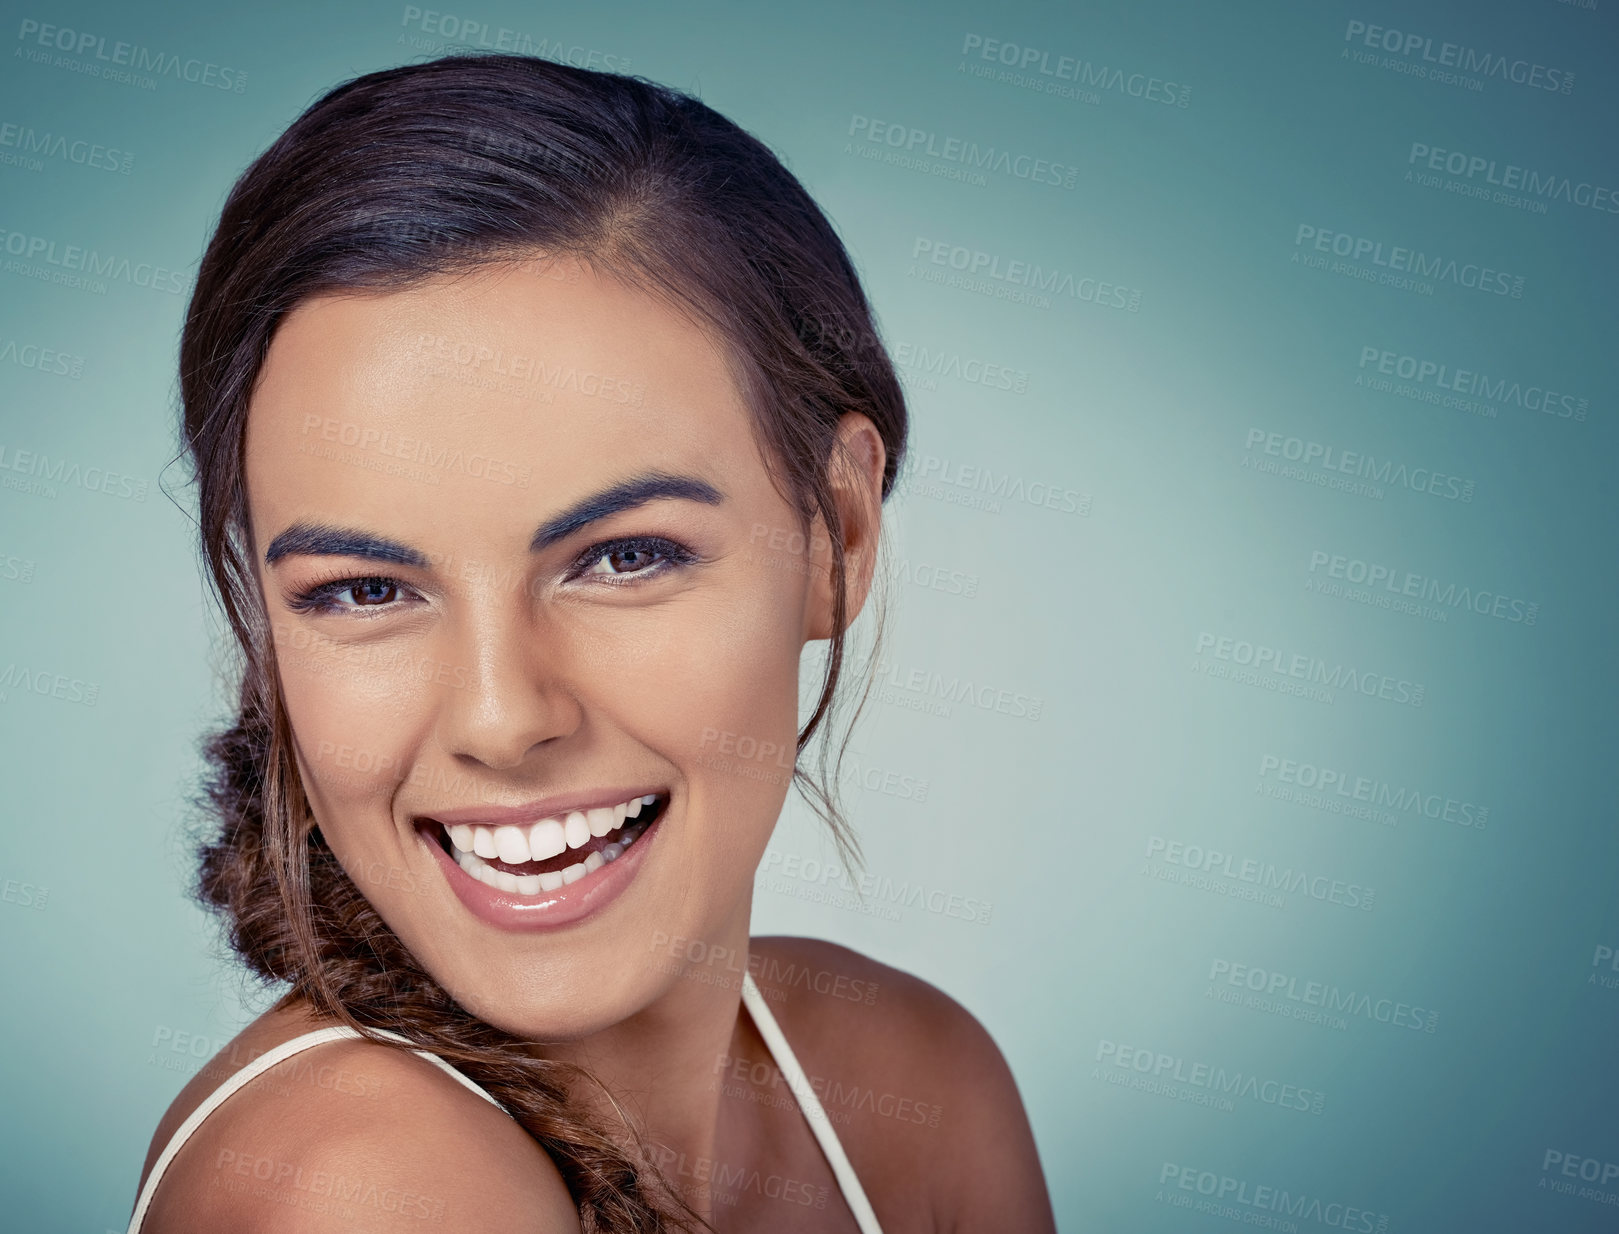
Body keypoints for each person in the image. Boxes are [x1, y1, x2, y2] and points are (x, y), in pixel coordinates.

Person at [126, 52, 1056, 1233]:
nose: (501, 716)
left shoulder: (916, 1084)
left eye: (623, 557)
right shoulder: (373, 1190)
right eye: (364, 589)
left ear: (838, 534)